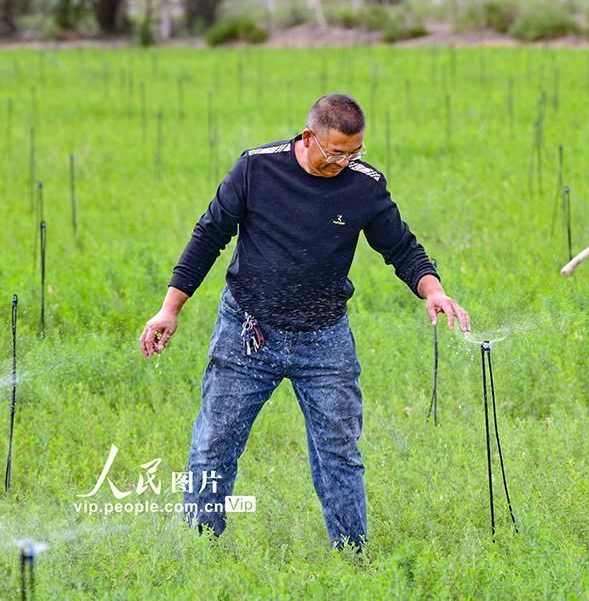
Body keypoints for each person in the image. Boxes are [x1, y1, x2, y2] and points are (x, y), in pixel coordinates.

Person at [138, 93, 470, 550]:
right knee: (214, 443)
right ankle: (201, 547)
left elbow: (401, 247)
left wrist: (434, 290)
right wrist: (170, 308)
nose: (345, 162)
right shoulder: (257, 169)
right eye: (336, 152)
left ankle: (352, 555)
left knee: (339, 452)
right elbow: (209, 234)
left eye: (355, 153)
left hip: (325, 338)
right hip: (248, 333)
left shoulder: (364, 185)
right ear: (309, 136)